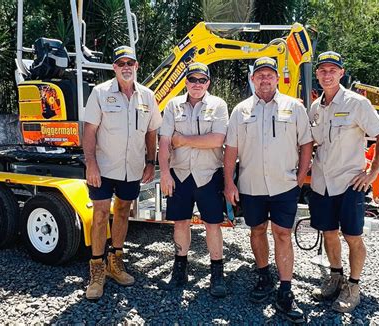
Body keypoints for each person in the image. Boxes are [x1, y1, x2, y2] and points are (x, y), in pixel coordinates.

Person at [224, 57, 313, 323]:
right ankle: (263, 276)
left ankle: (285, 290)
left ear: (277, 79)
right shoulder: (240, 111)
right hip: (251, 185)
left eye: (269, 75)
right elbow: (231, 150)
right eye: (260, 75)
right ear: (252, 79)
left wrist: (300, 177)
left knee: (283, 234)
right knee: (257, 230)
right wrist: (229, 182)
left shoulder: (293, 108)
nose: (265, 79)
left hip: (284, 185)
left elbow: (306, 143)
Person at [308, 51, 379, 312]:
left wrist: (372, 173)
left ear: (341, 73)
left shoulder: (357, 104)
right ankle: (336, 276)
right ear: (317, 74)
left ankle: (353, 286)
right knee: (329, 233)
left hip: (349, 183)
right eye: (323, 70)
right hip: (321, 182)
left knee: (352, 236)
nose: (327, 74)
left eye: (333, 70)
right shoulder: (315, 107)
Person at [83, 45, 162, 300]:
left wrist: (151, 162)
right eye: (121, 63)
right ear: (114, 68)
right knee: (100, 214)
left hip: (132, 167)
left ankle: (116, 262)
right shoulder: (100, 93)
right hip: (104, 168)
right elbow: (90, 130)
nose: (126, 67)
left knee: (123, 210)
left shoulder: (148, 97)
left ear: (137, 66)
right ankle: (97, 270)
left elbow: (152, 132)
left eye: (130, 63)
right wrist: (91, 163)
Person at [158, 62, 229, 297]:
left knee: (212, 224)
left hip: (208, 174)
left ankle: (217, 274)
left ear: (208, 82)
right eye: (192, 80)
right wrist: (165, 173)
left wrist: (183, 139)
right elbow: (165, 141)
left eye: (202, 80)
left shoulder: (218, 105)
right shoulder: (172, 105)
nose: (196, 84)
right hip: (179, 175)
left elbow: (217, 140)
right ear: (185, 81)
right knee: (180, 222)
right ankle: (180, 270)